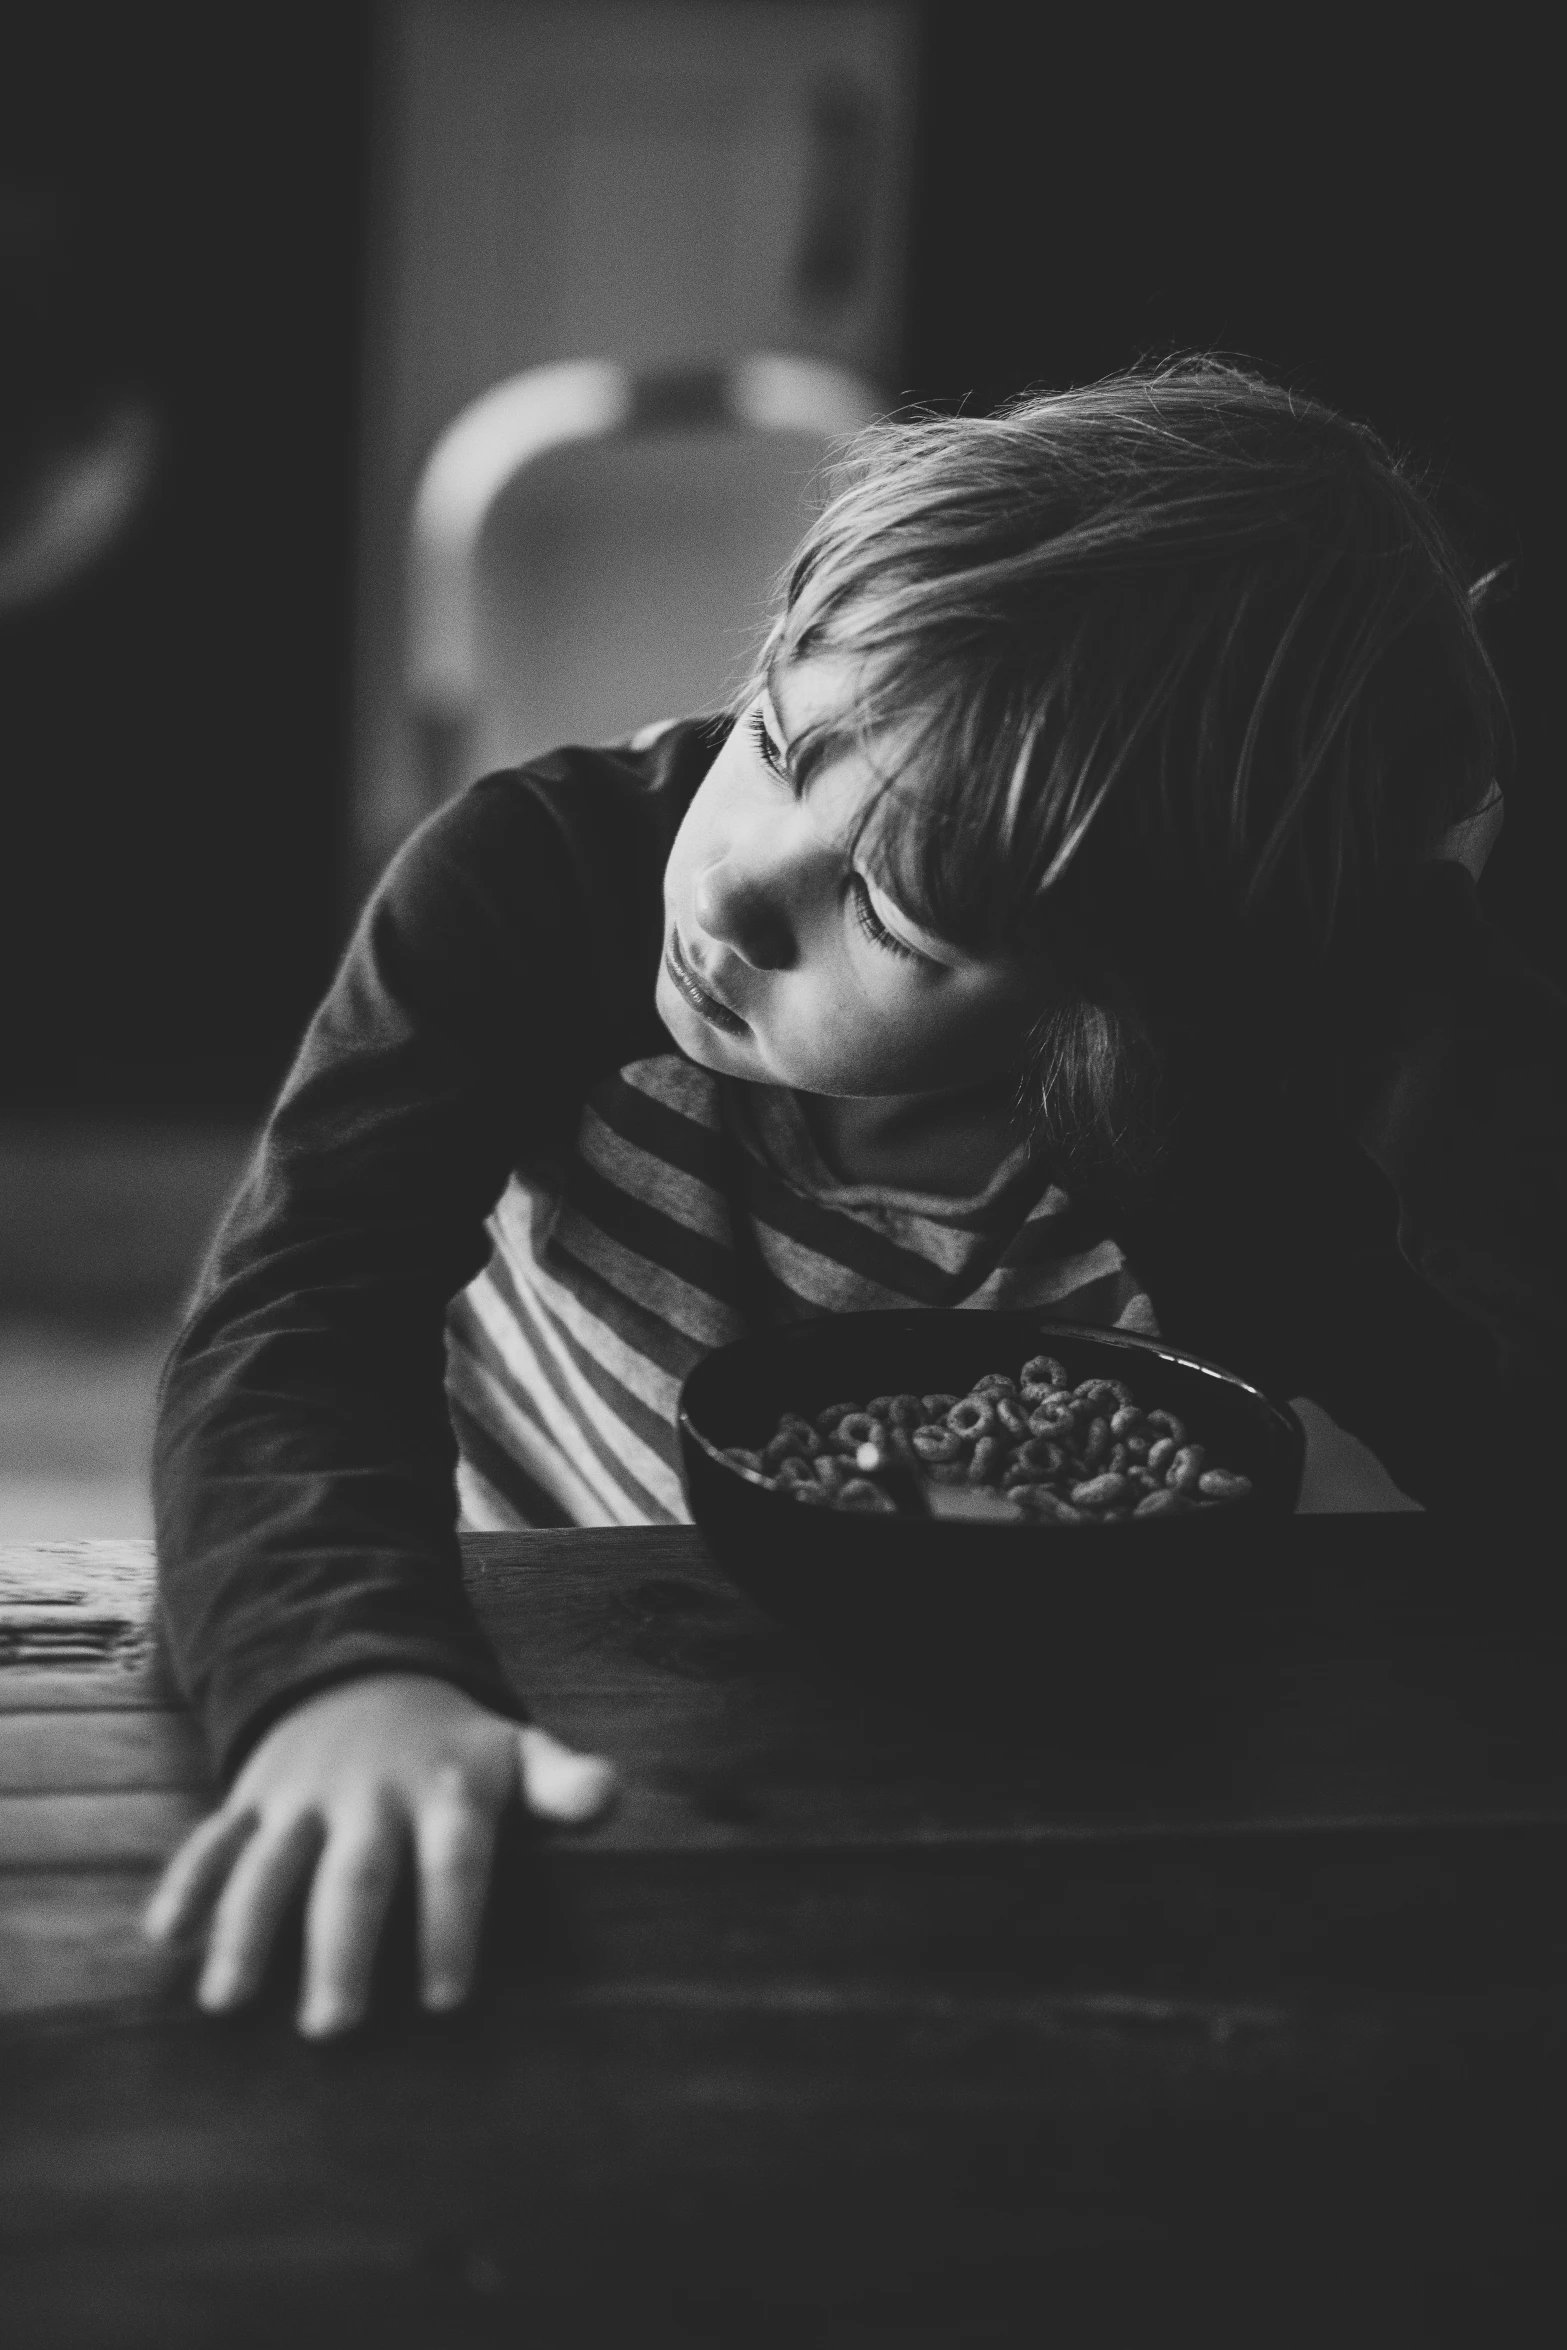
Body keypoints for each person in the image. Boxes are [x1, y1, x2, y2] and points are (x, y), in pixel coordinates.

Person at [143, 353, 1565, 2037]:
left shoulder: (1197, 1101)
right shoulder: (523, 883)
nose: (734, 888)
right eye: (776, 736)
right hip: (530, 1674)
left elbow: (1459, 1448)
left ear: (1128, 998)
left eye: (892, 919)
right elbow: (296, 1307)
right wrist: (341, 1678)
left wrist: (1421, 981)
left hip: (1007, 1783)